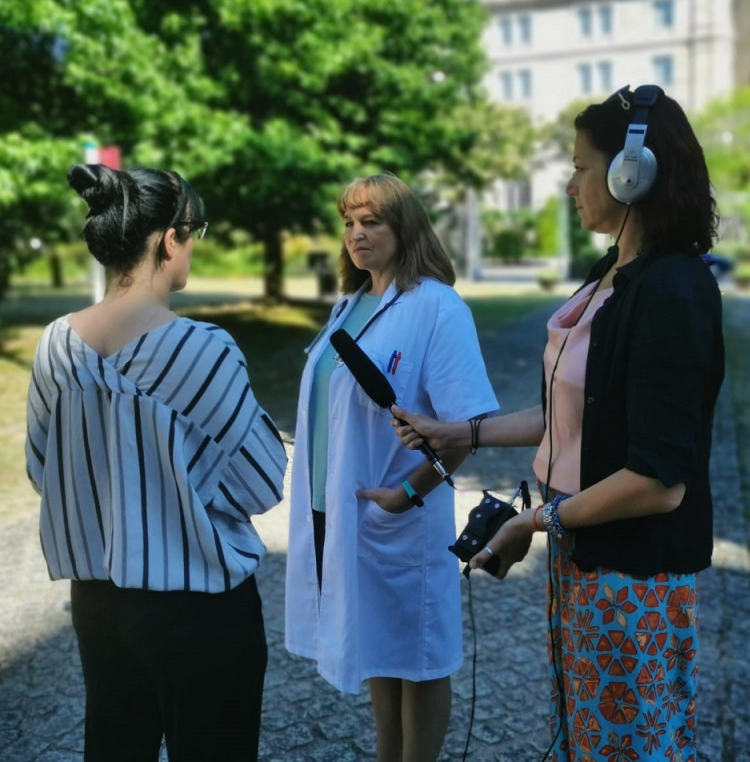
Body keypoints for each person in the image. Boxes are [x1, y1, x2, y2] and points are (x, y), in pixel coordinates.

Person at [393, 85, 725, 761]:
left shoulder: (672, 291)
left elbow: (659, 480)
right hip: (585, 554)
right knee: (586, 739)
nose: (570, 184)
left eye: (579, 165)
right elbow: (581, 410)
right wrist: (470, 433)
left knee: (627, 747)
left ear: (633, 172)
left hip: (632, 579)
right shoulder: (614, 273)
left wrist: (534, 522)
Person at [25, 163, 288, 761]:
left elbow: (43, 468)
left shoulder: (55, 343)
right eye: (194, 232)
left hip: (98, 603)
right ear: (170, 238)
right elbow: (261, 482)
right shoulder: (203, 349)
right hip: (198, 606)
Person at [284, 173, 498, 762]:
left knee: (420, 655)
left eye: (371, 221)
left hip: (401, 513)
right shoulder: (350, 305)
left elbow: (466, 428)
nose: (357, 233)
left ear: (404, 227)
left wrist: (409, 490)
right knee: (377, 644)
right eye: (349, 222)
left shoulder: (436, 307)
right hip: (340, 507)